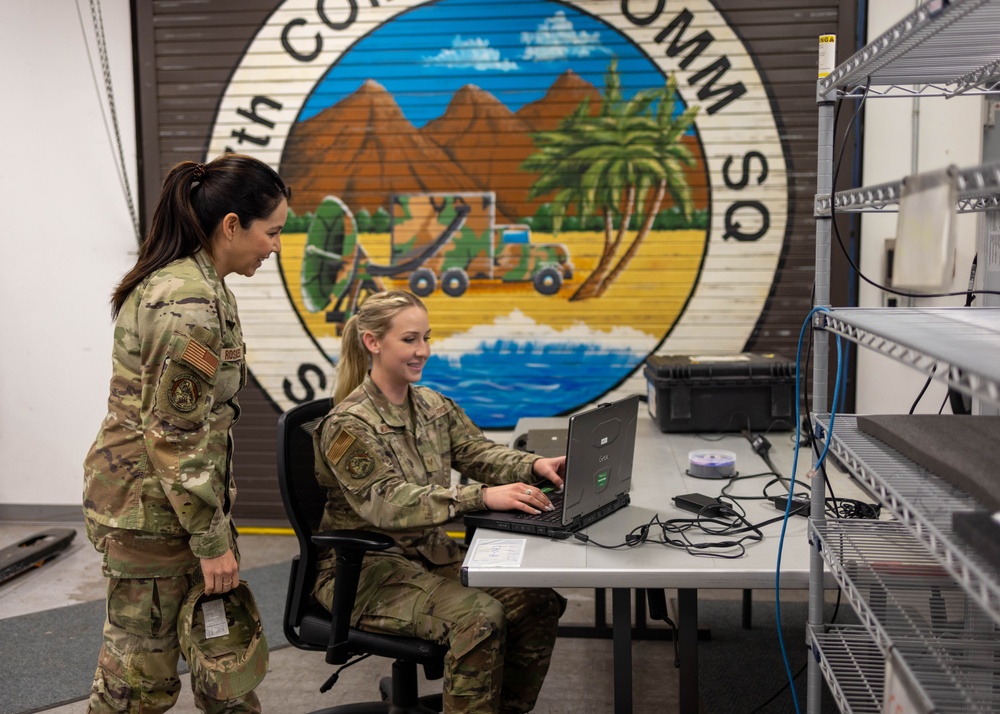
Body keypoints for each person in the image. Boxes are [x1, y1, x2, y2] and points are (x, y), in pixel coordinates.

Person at [83, 153, 291, 713]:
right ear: (231, 226)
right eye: (271, 232)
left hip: (182, 509)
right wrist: (212, 540)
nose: (276, 247)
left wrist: (212, 529)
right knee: (138, 686)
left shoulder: (204, 287)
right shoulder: (187, 305)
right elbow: (175, 435)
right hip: (152, 519)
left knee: (225, 670)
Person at [313, 290, 567, 714]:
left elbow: (477, 452)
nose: (424, 351)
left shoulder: (430, 405)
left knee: (536, 600)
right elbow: (387, 503)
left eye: (426, 338)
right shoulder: (348, 425)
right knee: (479, 617)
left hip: (429, 556)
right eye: (410, 340)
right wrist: (479, 496)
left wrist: (535, 465)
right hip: (367, 571)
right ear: (373, 343)